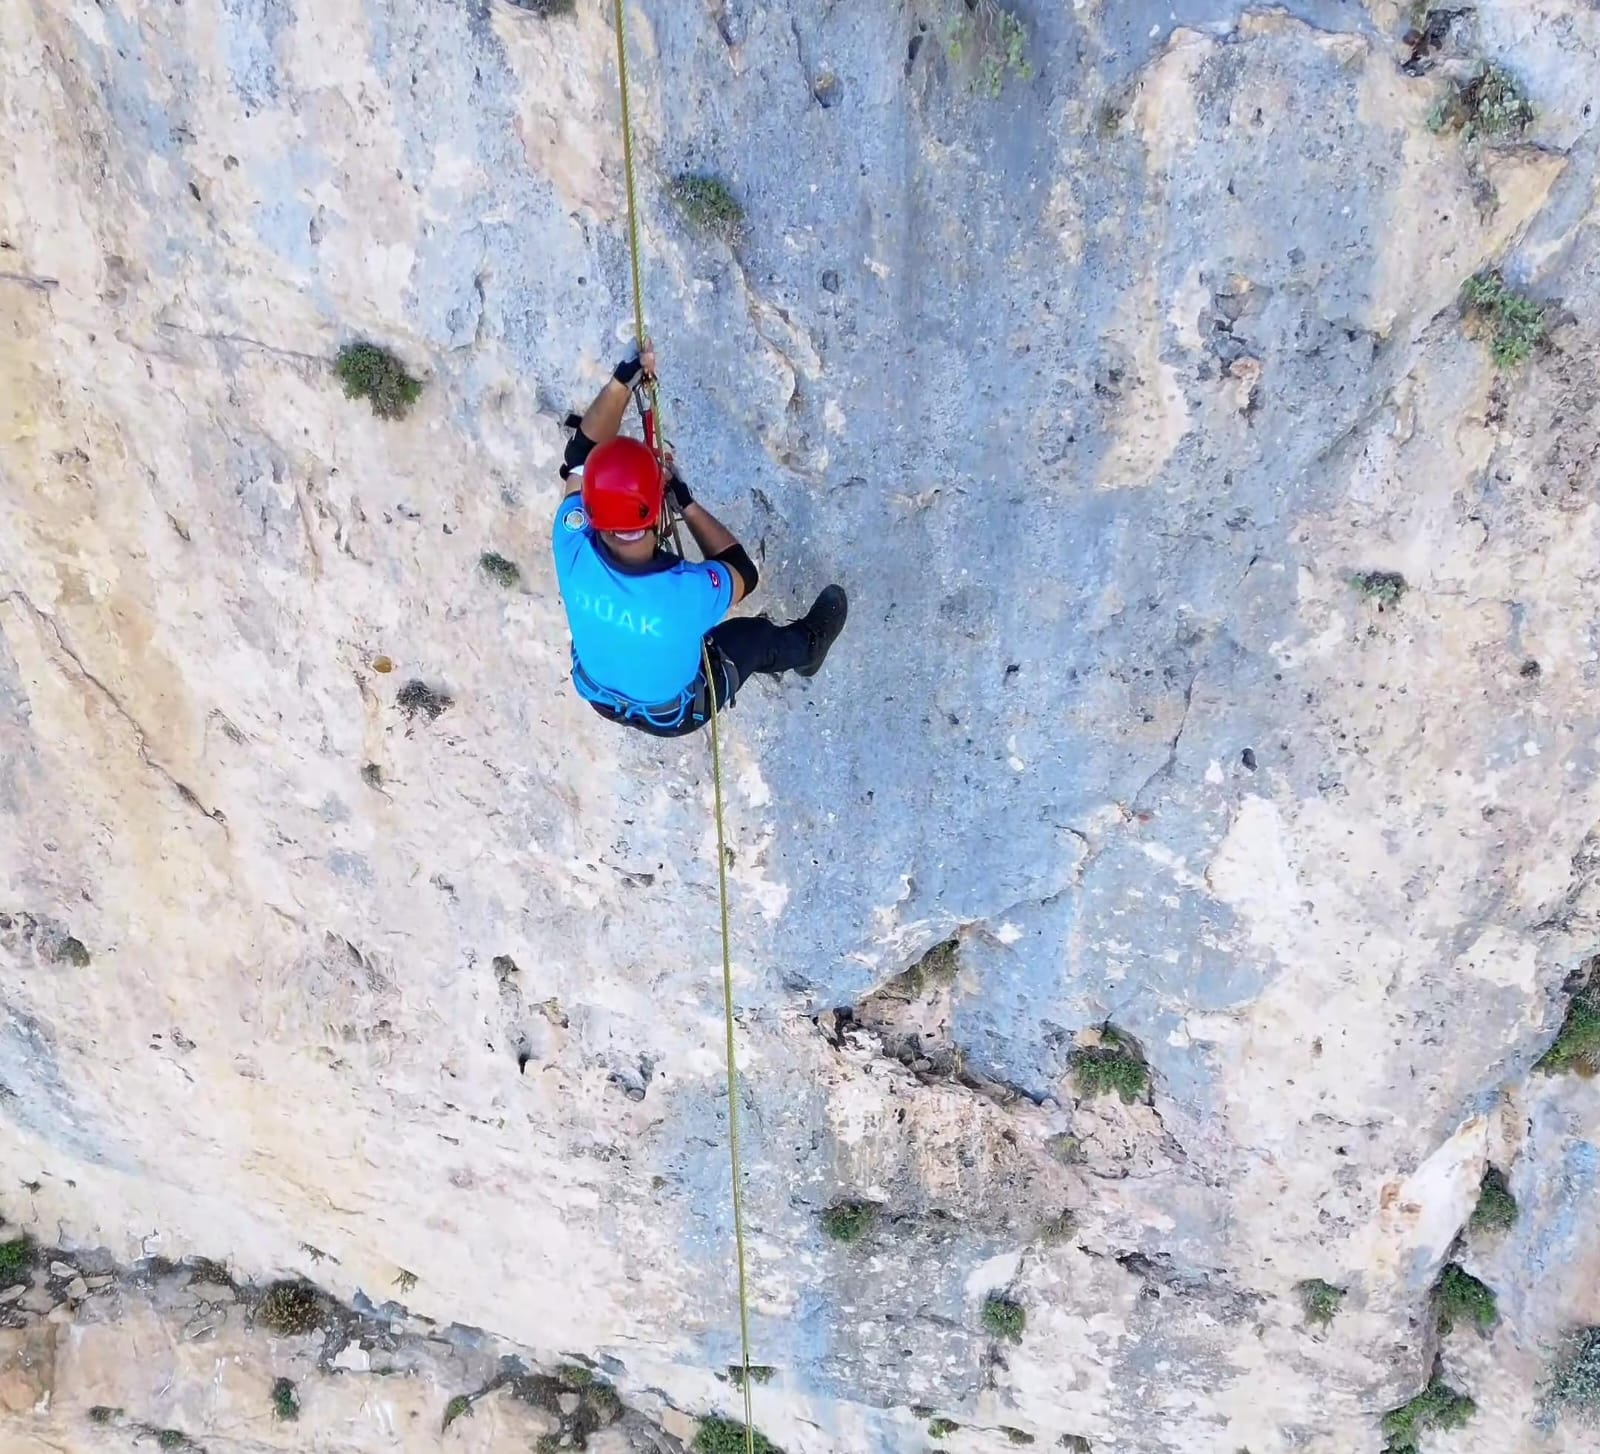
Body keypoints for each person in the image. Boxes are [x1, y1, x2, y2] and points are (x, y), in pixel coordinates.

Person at [551, 342, 848, 736]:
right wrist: (688, 505)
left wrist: (623, 381)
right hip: (673, 712)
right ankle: (810, 648)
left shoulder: (570, 541)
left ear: (592, 513)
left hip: (599, 695)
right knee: (754, 637)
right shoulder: (687, 592)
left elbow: (579, 456)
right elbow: (742, 571)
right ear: (658, 511)